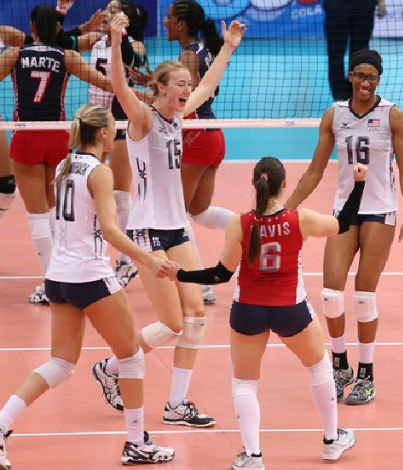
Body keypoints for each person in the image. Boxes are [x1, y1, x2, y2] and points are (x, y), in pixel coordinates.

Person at [90, 12, 246, 427]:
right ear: (161, 88)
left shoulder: (179, 117)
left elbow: (208, 86)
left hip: (177, 228)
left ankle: (177, 404)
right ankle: (111, 367)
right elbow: (120, 86)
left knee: (196, 317)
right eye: (180, 84)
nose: (188, 90)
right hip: (147, 230)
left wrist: (228, 49)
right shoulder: (143, 118)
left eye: (187, 85)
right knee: (173, 323)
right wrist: (115, 38)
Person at [0, 103, 175, 470]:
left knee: (61, 364)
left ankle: (1, 425)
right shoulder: (100, 172)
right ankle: (136, 443)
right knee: (131, 357)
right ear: (104, 133)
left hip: (58, 277)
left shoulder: (64, 166)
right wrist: (149, 260)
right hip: (90, 276)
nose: (118, 132)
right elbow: (109, 230)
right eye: (114, 127)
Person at [163, 156, 362, 470]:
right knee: (319, 366)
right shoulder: (301, 219)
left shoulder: (240, 223)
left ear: (254, 184)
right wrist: (359, 184)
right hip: (291, 309)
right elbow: (345, 223)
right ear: (284, 185)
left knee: (245, 383)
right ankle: (331, 440)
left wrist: (181, 275)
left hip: (248, 311)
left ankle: (253, 456)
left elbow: (220, 274)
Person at [285, 48, 403, 405]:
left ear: (379, 80)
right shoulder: (335, 115)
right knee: (330, 292)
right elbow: (315, 170)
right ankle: (340, 363)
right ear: (351, 77)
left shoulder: (393, 116)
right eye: (359, 75)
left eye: (371, 77)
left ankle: (367, 374)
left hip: (380, 210)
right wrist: (285, 210)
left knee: (363, 295)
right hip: (344, 212)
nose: (365, 82)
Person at [0, 4, 115, 305]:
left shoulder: (14, 55)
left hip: (26, 136)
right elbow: (104, 82)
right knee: (55, 211)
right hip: (58, 137)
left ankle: (52, 285)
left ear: (32, 27)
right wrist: (139, 92)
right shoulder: (67, 56)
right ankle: (64, 276)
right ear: (57, 28)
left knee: (37, 215)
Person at [163, 0, 235, 305]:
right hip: (213, 134)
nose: (164, 22)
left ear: (181, 23)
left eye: (168, 17)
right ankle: (253, 230)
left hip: (195, 137)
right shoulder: (205, 49)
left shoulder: (187, 56)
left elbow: (183, 101)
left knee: (176, 214)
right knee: (199, 211)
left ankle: (200, 286)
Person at [87, 0, 149, 288]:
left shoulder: (134, 44)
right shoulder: (95, 40)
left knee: (121, 194)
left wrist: (119, 35)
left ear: (125, 20)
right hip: (94, 122)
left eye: (112, 10)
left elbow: (133, 62)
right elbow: (58, 39)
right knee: (90, 192)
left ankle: (127, 261)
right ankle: (93, 255)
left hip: (122, 121)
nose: (105, 13)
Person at [323, 0, 386, 101]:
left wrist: (381, 2)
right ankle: (339, 98)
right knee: (335, 53)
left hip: (364, 5)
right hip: (336, 5)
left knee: (361, 54)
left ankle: (356, 95)